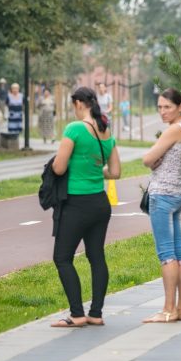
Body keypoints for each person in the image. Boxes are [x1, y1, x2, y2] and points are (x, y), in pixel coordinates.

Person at [50, 86, 122, 327]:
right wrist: (92, 171)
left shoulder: (75, 129)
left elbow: (59, 168)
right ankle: (96, 313)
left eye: (73, 105)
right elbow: (115, 172)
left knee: (62, 257)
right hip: (100, 203)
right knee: (96, 256)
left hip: (76, 203)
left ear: (79, 103)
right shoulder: (105, 130)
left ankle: (77, 314)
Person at [141, 88, 181, 323]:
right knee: (180, 253)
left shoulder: (174, 129)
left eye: (167, 107)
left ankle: (168, 309)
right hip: (177, 194)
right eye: (160, 107)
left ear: (180, 107)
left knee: (166, 254)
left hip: (162, 196)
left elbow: (147, 159)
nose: (162, 111)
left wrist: (155, 161)